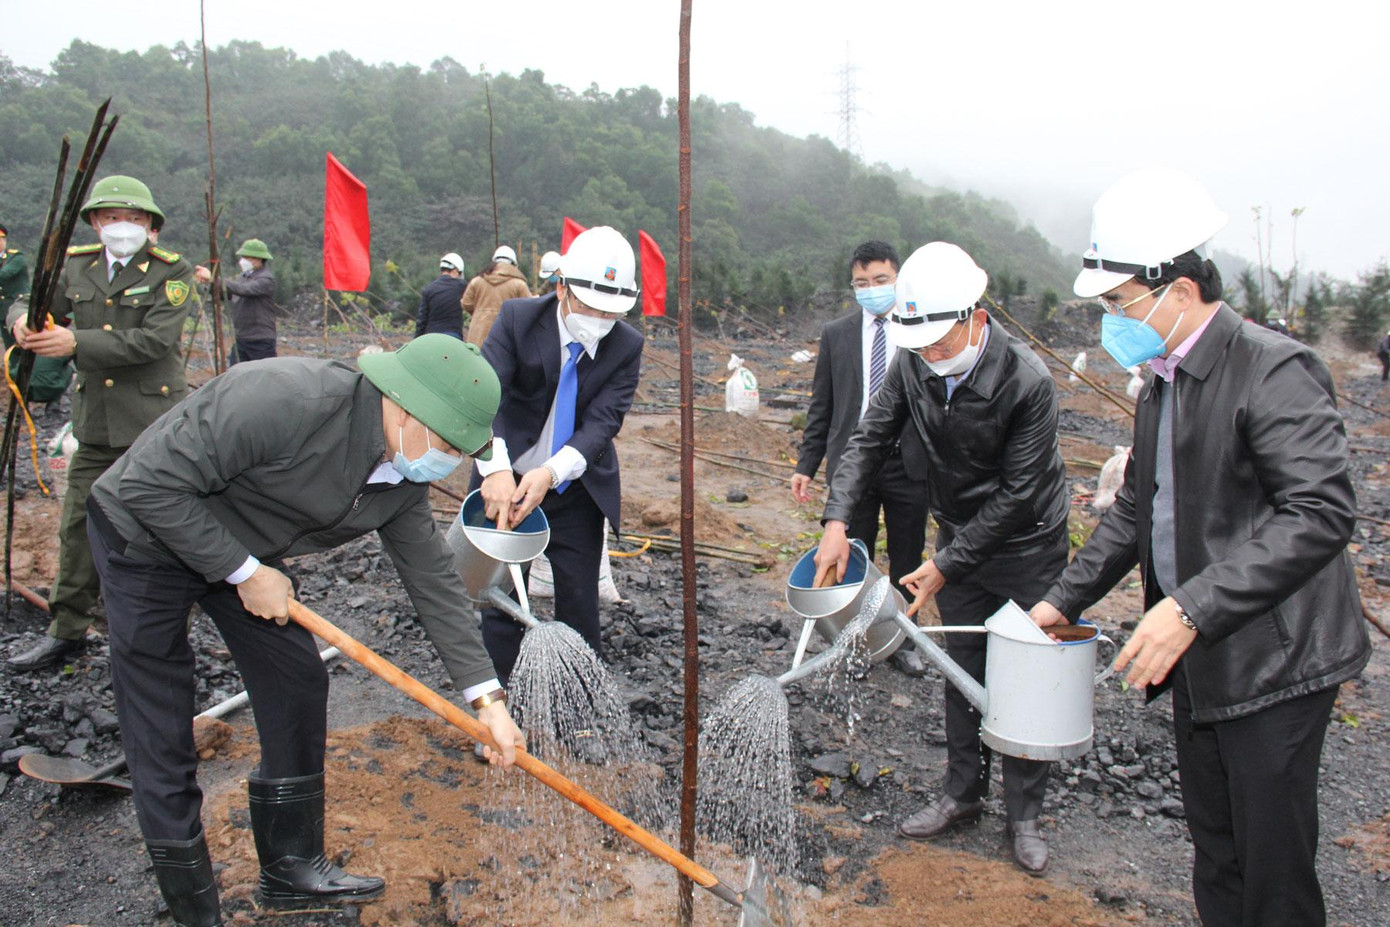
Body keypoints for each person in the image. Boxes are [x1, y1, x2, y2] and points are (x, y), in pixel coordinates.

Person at [86, 334, 525, 926]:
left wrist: (487, 699)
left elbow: (436, 583)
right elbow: (147, 484)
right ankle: (194, 910)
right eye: (444, 443)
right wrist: (242, 572)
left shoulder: (401, 474)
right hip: (145, 534)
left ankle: (290, 868)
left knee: (296, 679)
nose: (446, 461)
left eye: (459, 452)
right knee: (162, 718)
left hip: (245, 548)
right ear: (402, 405)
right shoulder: (279, 397)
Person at [1030, 168, 1370, 926]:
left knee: (1272, 869)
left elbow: (1320, 511)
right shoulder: (1164, 383)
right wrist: (1061, 598)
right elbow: (1135, 512)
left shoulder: (1273, 369)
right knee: (1216, 851)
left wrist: (1189, 607)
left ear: (1177, 291)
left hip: (1275, 661)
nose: (1111, 323)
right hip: (1201, 657)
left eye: (1120, 304)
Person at [813, 242, 1070, 876]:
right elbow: (869, 438)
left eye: (939, 344)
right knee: (963, 660)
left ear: (976, 319)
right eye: (919, 344)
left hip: (1028, 542)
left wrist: (947, 563)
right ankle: (963, 793)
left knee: (1024, 670)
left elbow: (1017, 496)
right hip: (958, 533)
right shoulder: (913, 361)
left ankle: (1025, 813)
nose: (930, 356)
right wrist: (837, 519)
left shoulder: (1027, 383)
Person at [6, 175, 193, 672]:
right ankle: (66, 629)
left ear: (151, 226)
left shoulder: (170, 274)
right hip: (95, 425)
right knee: (78, 525)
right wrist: (21, 320)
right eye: (111, 217)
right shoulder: (78, 267)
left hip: (152, 423)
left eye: (134, 218)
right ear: (94, 221)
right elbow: (33, 301)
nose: (122, 226)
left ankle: (160, 627)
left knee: (161, 524)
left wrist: (77, 345)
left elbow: (154, 342)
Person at [471, 225, 643, 686]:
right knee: (503, 591)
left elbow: (603, 424)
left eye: (612, 311)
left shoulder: (626, 345)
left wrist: (550, 472)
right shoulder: (517, 319)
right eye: (590, 305)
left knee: (578, 597)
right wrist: (497, 468)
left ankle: (580, 701)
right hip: (505, 478)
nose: (600, 318)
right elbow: (485, 397)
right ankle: (498, 702)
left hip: (572, 484)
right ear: (562, 286)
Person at [792, 240, 928, 607]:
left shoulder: (920, 329)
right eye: (862, 283)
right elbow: (823, 405)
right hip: (854, 463)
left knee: (907, 558)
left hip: (909, 463)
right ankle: (852, 635)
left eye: (880, 279)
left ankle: (903, 639)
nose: (871, 289)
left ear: (898, 279)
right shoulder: (837, 334)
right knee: (851, 554)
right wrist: (807, 463)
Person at [196, 239, 277, 363]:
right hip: (241, 338)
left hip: (260, 340)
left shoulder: (266, 280)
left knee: (262, 377)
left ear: (258, 259)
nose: (243, 260)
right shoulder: (243, 277)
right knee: (236, 375)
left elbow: (243, 290)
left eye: (247, 257)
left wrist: (214, 278)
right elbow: (227, 293)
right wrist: (210, 284)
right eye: (243, 257)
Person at [462, 244, 530, 347]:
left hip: (477, 336)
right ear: (514, 265)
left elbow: (466, 303)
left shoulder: (477, 281)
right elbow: (528, 309)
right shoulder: (519, 285)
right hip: (505, 338)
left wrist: (479, 312)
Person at [416, 252, 467, 338]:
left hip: (431, 336)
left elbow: (422, 320)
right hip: (453, 335)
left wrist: (416, 341)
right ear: (455, 270)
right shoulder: (462, 286)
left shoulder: (428, 289)